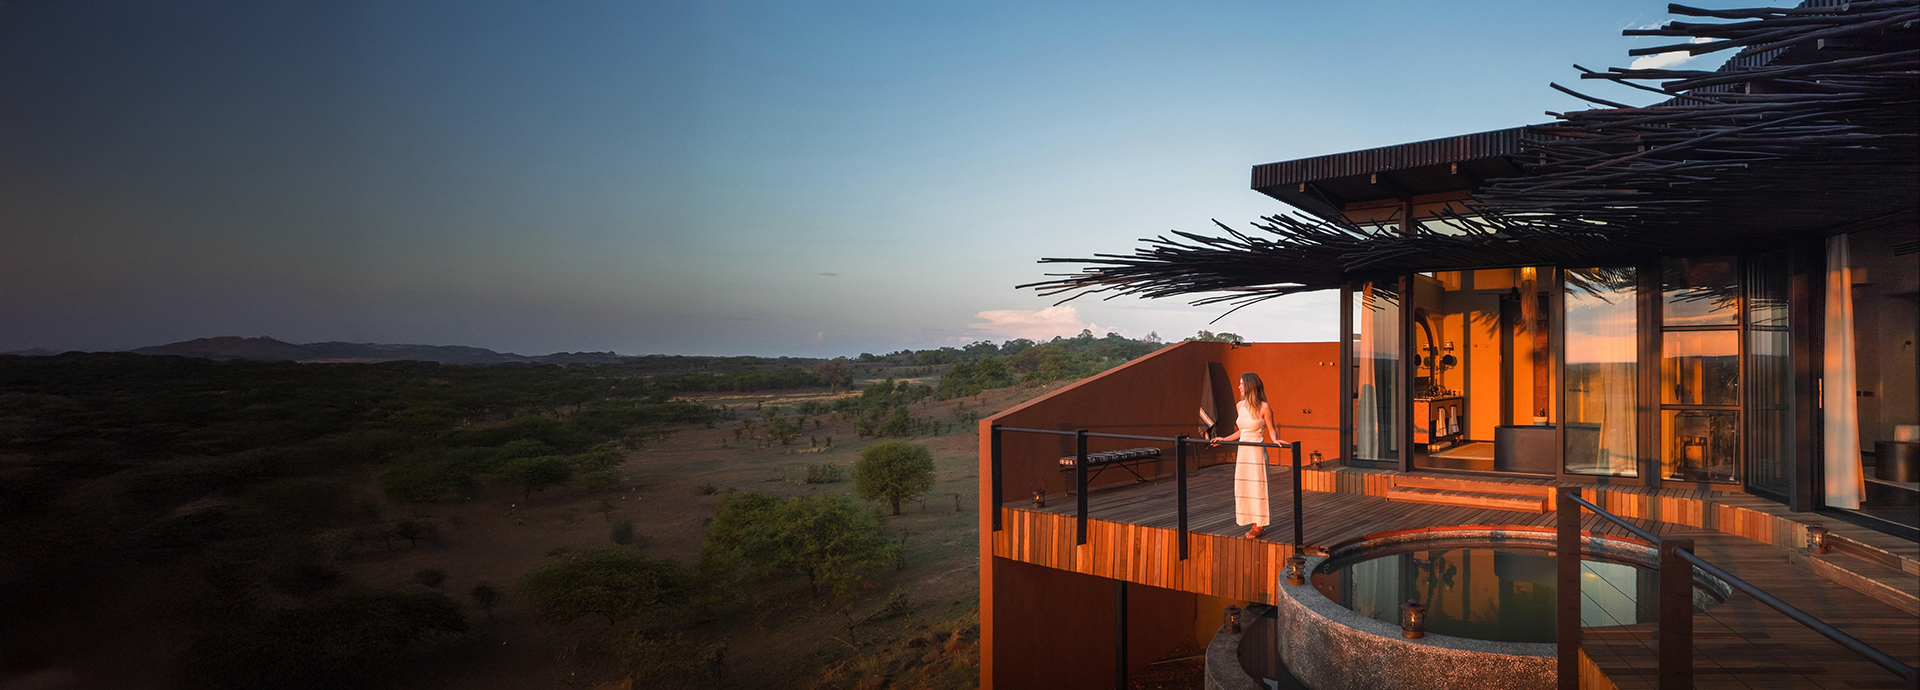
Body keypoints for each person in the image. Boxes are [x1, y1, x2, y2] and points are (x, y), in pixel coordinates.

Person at [1211, 372, 1277, 539]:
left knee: (1258, 486)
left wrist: (1276, 440)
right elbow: (1242, 431)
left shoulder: (1264, 407)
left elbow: (1271, 429)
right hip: (1243, 451)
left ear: (1250, 386)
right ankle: (1249, 518)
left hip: (1256, 452)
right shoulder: (1240, 406)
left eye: (1242, 384)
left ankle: (1259, 524)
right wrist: (1224, 439)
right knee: (1244, 486)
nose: (1239, 387)